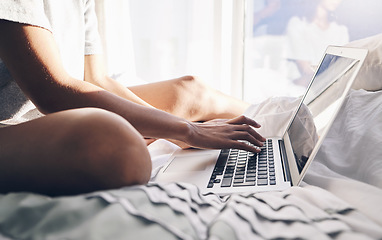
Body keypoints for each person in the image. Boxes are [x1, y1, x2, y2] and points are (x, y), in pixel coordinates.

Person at [0, 0, 265, 196]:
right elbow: (53, 92)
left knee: (191, 91)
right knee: (118, 146)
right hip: (10, 127)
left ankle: (278, 133)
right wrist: (187, 130)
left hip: (56, 113)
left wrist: (175, 131)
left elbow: (96, 80)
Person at [286, 0, 349, 86]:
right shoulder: (298, 24)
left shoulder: (341, 30)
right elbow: (305, 70)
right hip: (301, 87)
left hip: (328, 85)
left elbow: (342, 66)